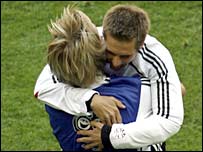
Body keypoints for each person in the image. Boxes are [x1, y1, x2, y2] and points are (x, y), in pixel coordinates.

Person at [34, 4, 185, 151]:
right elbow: (42, 88)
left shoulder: (155, 57)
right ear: (103, 37)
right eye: (110, 53)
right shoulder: (85, 47)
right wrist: (91, 99)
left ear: (140, 45)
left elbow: (168, 120)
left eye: (125, 56)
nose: (115, 62)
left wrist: (109, 136)